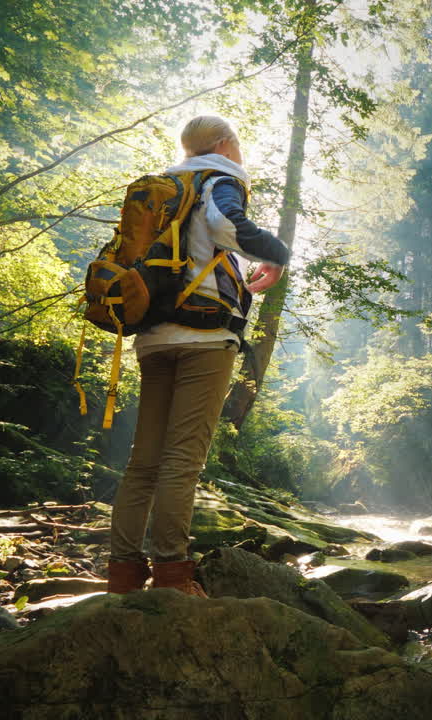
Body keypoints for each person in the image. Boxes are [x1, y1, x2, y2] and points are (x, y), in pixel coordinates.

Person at [106, 115, 289, 596]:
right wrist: (276, 254)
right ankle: (172, 575)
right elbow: (228, 224)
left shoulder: (163, 185)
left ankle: (123, 574)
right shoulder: (218, 177)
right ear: (225, 144)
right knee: (182, 461)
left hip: (152, 336)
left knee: (143, 462)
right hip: (205, 336)